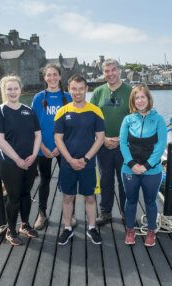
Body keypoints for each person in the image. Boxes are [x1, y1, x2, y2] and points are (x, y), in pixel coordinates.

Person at [0, 75, 42, 246]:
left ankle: (25, 225)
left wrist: (34, 155)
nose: (13, 92)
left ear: (21, 89)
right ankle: (11, 230)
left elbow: (37, 134)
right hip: (10, 162)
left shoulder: (28, 110)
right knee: (14, 197)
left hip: (30, 160)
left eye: (15, 88)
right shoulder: (0, 112)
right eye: (9, 89)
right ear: (4, 91)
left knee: (26, 194)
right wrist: (18, 159)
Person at [54, 74, 105, 245]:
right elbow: (58, 139)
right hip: (68, 163)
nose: (77, 92)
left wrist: (85, 158)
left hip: (88, 163)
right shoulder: (62, 111)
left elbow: (100, 138)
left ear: (86, 89)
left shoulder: (95, 111)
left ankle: (92, 228)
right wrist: (69, 159)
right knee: (68, 197)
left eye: (81, 88)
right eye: (74, 89)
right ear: (69, 89)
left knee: (90, 197)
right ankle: (67, 228)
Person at [119, 85, 167, 247]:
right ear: (133, 101)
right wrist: (132, 164)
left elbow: (160, 145)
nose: (139, 101)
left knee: (150, 202)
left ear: (148, 99)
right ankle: (130, 229)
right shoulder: (128, 120)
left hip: (152, 171)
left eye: (142, 97)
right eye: (136, 98)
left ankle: (151, 231)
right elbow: (123, 144)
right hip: (129, 169)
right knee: (131, 201)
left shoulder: (158, 119)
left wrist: (146, 166)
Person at [90, 58, 131, 226]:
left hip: (125, 146)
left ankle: (126, 212)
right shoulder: (98, 92)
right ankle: (105, 212)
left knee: (124, 180)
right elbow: (90, 118)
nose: (110, 74)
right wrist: (103, 139)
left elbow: (136, 120)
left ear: (119, 71)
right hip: (103, 144)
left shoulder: (130, 91)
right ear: (103, 73)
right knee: (106, 179)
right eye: (107, 71)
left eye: (113, 70)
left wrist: (122, 139)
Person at [32, 64, 72, 230]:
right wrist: (41, 145)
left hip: (63, 147)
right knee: (45, 180)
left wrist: (60, 146)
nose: (52, 78)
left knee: (68, 180)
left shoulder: (68, 98)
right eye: (49, 75)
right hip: (44, 147)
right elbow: (33, 125)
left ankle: (70, 215)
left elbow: (73, 125)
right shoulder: (38, 98)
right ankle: (42, 214)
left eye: (55, 74)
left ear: (60, 77)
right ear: (44, 78)